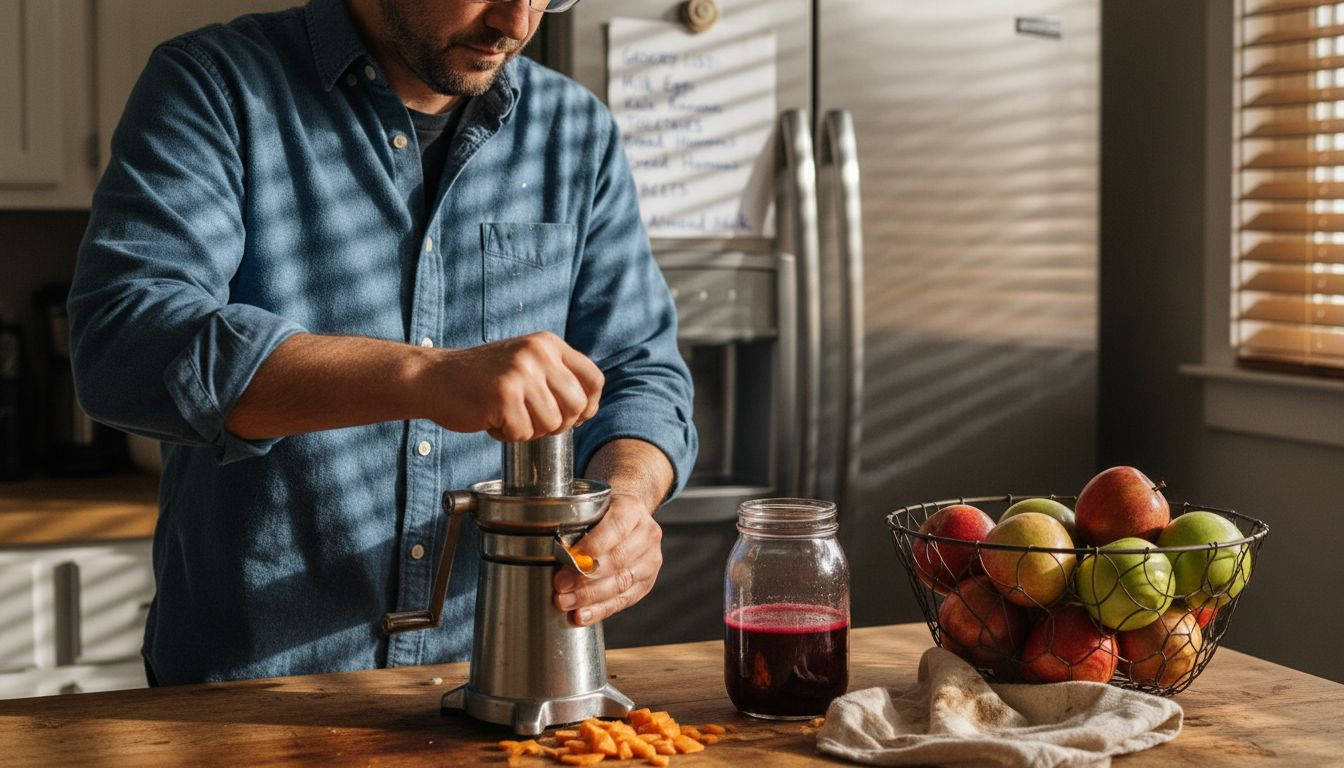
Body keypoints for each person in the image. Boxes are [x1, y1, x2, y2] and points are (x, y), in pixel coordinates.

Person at [67, 0, 697, 686]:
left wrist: (627, 498)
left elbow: (641, 372)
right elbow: (126, 343)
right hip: (257, 696)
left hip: (499, 684)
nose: (517, 24)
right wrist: (423, 377)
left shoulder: (576, 133)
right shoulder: (217, 86)